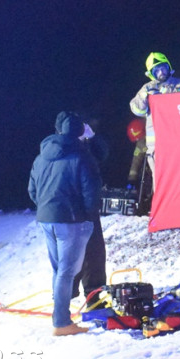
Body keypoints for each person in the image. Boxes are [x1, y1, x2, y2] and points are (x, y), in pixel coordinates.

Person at [28, 111, 102, 336]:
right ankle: (61, 323)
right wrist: (87, 217)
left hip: (46, 219)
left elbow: (32, 191)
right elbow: (92, 194)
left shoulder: (41, 157)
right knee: (66, 272)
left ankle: (61, 316)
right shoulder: (81, 156)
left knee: (59, 270)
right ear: (80, 131)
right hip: (71, 221)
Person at [129, 52, 180, 172]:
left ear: (168, 67)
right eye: (156, 70)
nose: (161, 72)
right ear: (151, 73)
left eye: (163, 67)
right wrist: (145, 96)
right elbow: (137, 109)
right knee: (161, 183)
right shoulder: (147, 88)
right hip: (157, 147)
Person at [72, 120, 108, 298]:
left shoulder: (84, 146)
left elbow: (102, 155)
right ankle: (77, 297)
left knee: (91, 254)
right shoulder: (71, 151)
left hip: (75, 210)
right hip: (80, 209)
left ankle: (91, 295)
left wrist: (93, 139)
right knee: (84, 254)